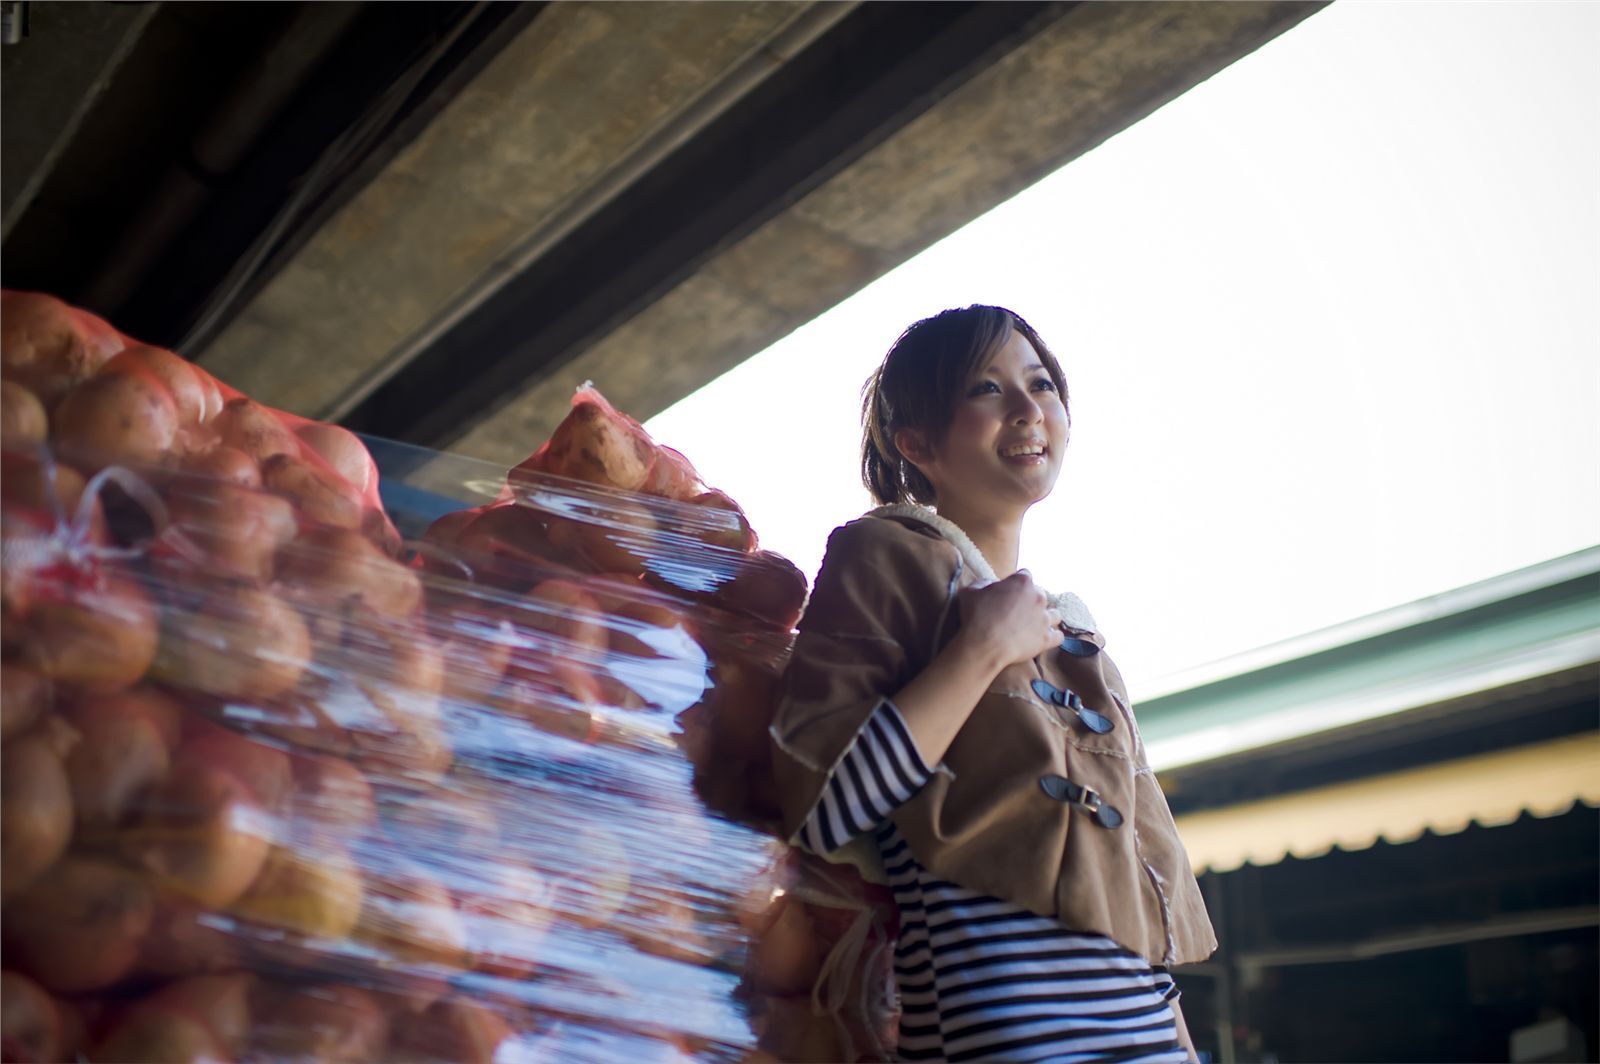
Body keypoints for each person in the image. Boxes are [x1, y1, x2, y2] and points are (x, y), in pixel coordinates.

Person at [769, 305, 1217, 1062]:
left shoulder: (1080, 640)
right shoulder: (881, 555)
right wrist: (981, 648)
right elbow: (827, 808)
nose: (1028, 409)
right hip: (1003, 1036)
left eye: (1041, 384)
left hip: (1144, 1038)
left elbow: (1140, 892)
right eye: (987, 388)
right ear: (917, 443)